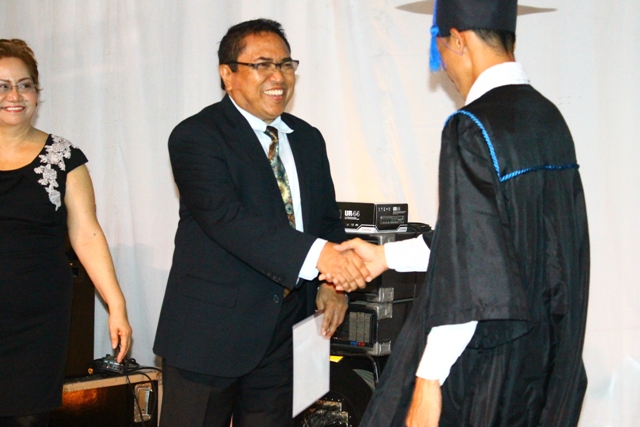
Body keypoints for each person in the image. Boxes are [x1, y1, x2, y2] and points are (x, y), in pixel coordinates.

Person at [331, 1, 590, 425]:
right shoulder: (548, 119)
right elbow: (481, 239)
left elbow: (472, 281)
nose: (445, 68)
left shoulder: (473, 127)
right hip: (541, 360)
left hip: (485, 367)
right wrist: (385, 256)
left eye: (440, 49)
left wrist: (428, 381)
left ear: (457, 40)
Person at [153, 19, 370, 427]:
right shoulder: (196, 136)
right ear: (228, 74)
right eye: (263, 65)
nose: (278, 76)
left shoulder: (307, 138)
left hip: (288, 332)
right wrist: (322, 257)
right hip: (211, 333)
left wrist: (333, 284)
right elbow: (228, 219)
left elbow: (326, 221)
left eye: (286, 64)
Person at [0, 39, 132, 426]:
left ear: (37, 93)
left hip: (37, 319)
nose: (15, 96)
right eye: (2, 86)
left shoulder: (63, 157)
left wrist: (117, 305)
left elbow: (87, 234)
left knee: (27, 418)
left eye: (25, 85)